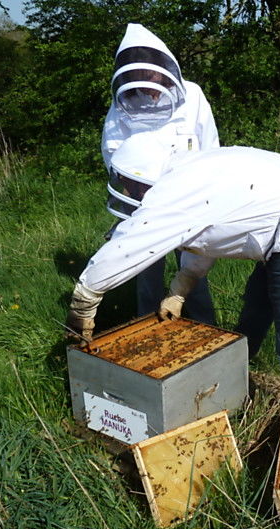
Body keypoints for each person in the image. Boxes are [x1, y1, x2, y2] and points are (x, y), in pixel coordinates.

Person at [66, 134, 280, 409]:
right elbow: (207, 237)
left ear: (141, 176)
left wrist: (86, 296)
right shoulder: (191, 173)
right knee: (256, 309)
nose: (129, 192)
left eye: (130, 184)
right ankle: (233, 380)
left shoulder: (176, 190)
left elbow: (130, 245)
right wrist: (180, 289)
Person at [101, 23, 220, 323]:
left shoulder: (191, 95)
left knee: (194, 271)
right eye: (139, 74)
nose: (147, 80)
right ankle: (146, 330)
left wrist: (208, 194)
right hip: (144, 205)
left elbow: (210, 145)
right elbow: (114, 152)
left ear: (163, 66)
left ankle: (206, 330)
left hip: (188, 200)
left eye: (152, 72)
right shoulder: (122, 105)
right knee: (146, 273)